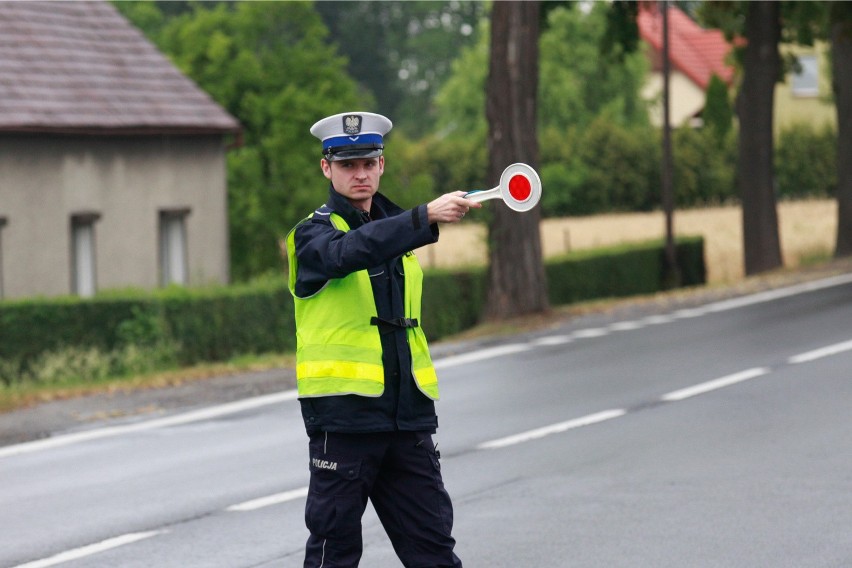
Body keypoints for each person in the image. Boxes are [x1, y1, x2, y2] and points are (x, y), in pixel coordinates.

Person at [285, 111, 480, 567]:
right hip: (345, 418)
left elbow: (379, 241)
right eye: (348, 164)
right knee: (335, 553)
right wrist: (423, 216)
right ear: (326, 168)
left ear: (382, 166)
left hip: (406, 418)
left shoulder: (401, 234)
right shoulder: (312, 235)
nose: (360, 174)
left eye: (368, 163)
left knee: (433, 551)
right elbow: (350, 251)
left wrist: (416, 221)